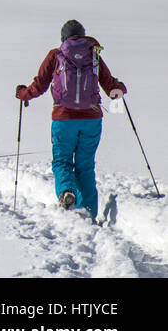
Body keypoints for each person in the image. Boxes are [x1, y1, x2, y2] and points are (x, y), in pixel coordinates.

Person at [16, 20, 126, 217]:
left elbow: (39, 85)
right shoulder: (93, 55)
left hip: (63, 118)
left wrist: (24, 94)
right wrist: (120, 88)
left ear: (63, 38)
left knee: (62, 161)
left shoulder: (56, 55)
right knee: (85, 165)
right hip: (92, 119)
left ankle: (67, 192)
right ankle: (90, 212)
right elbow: (110, 87)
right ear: (83, 36)